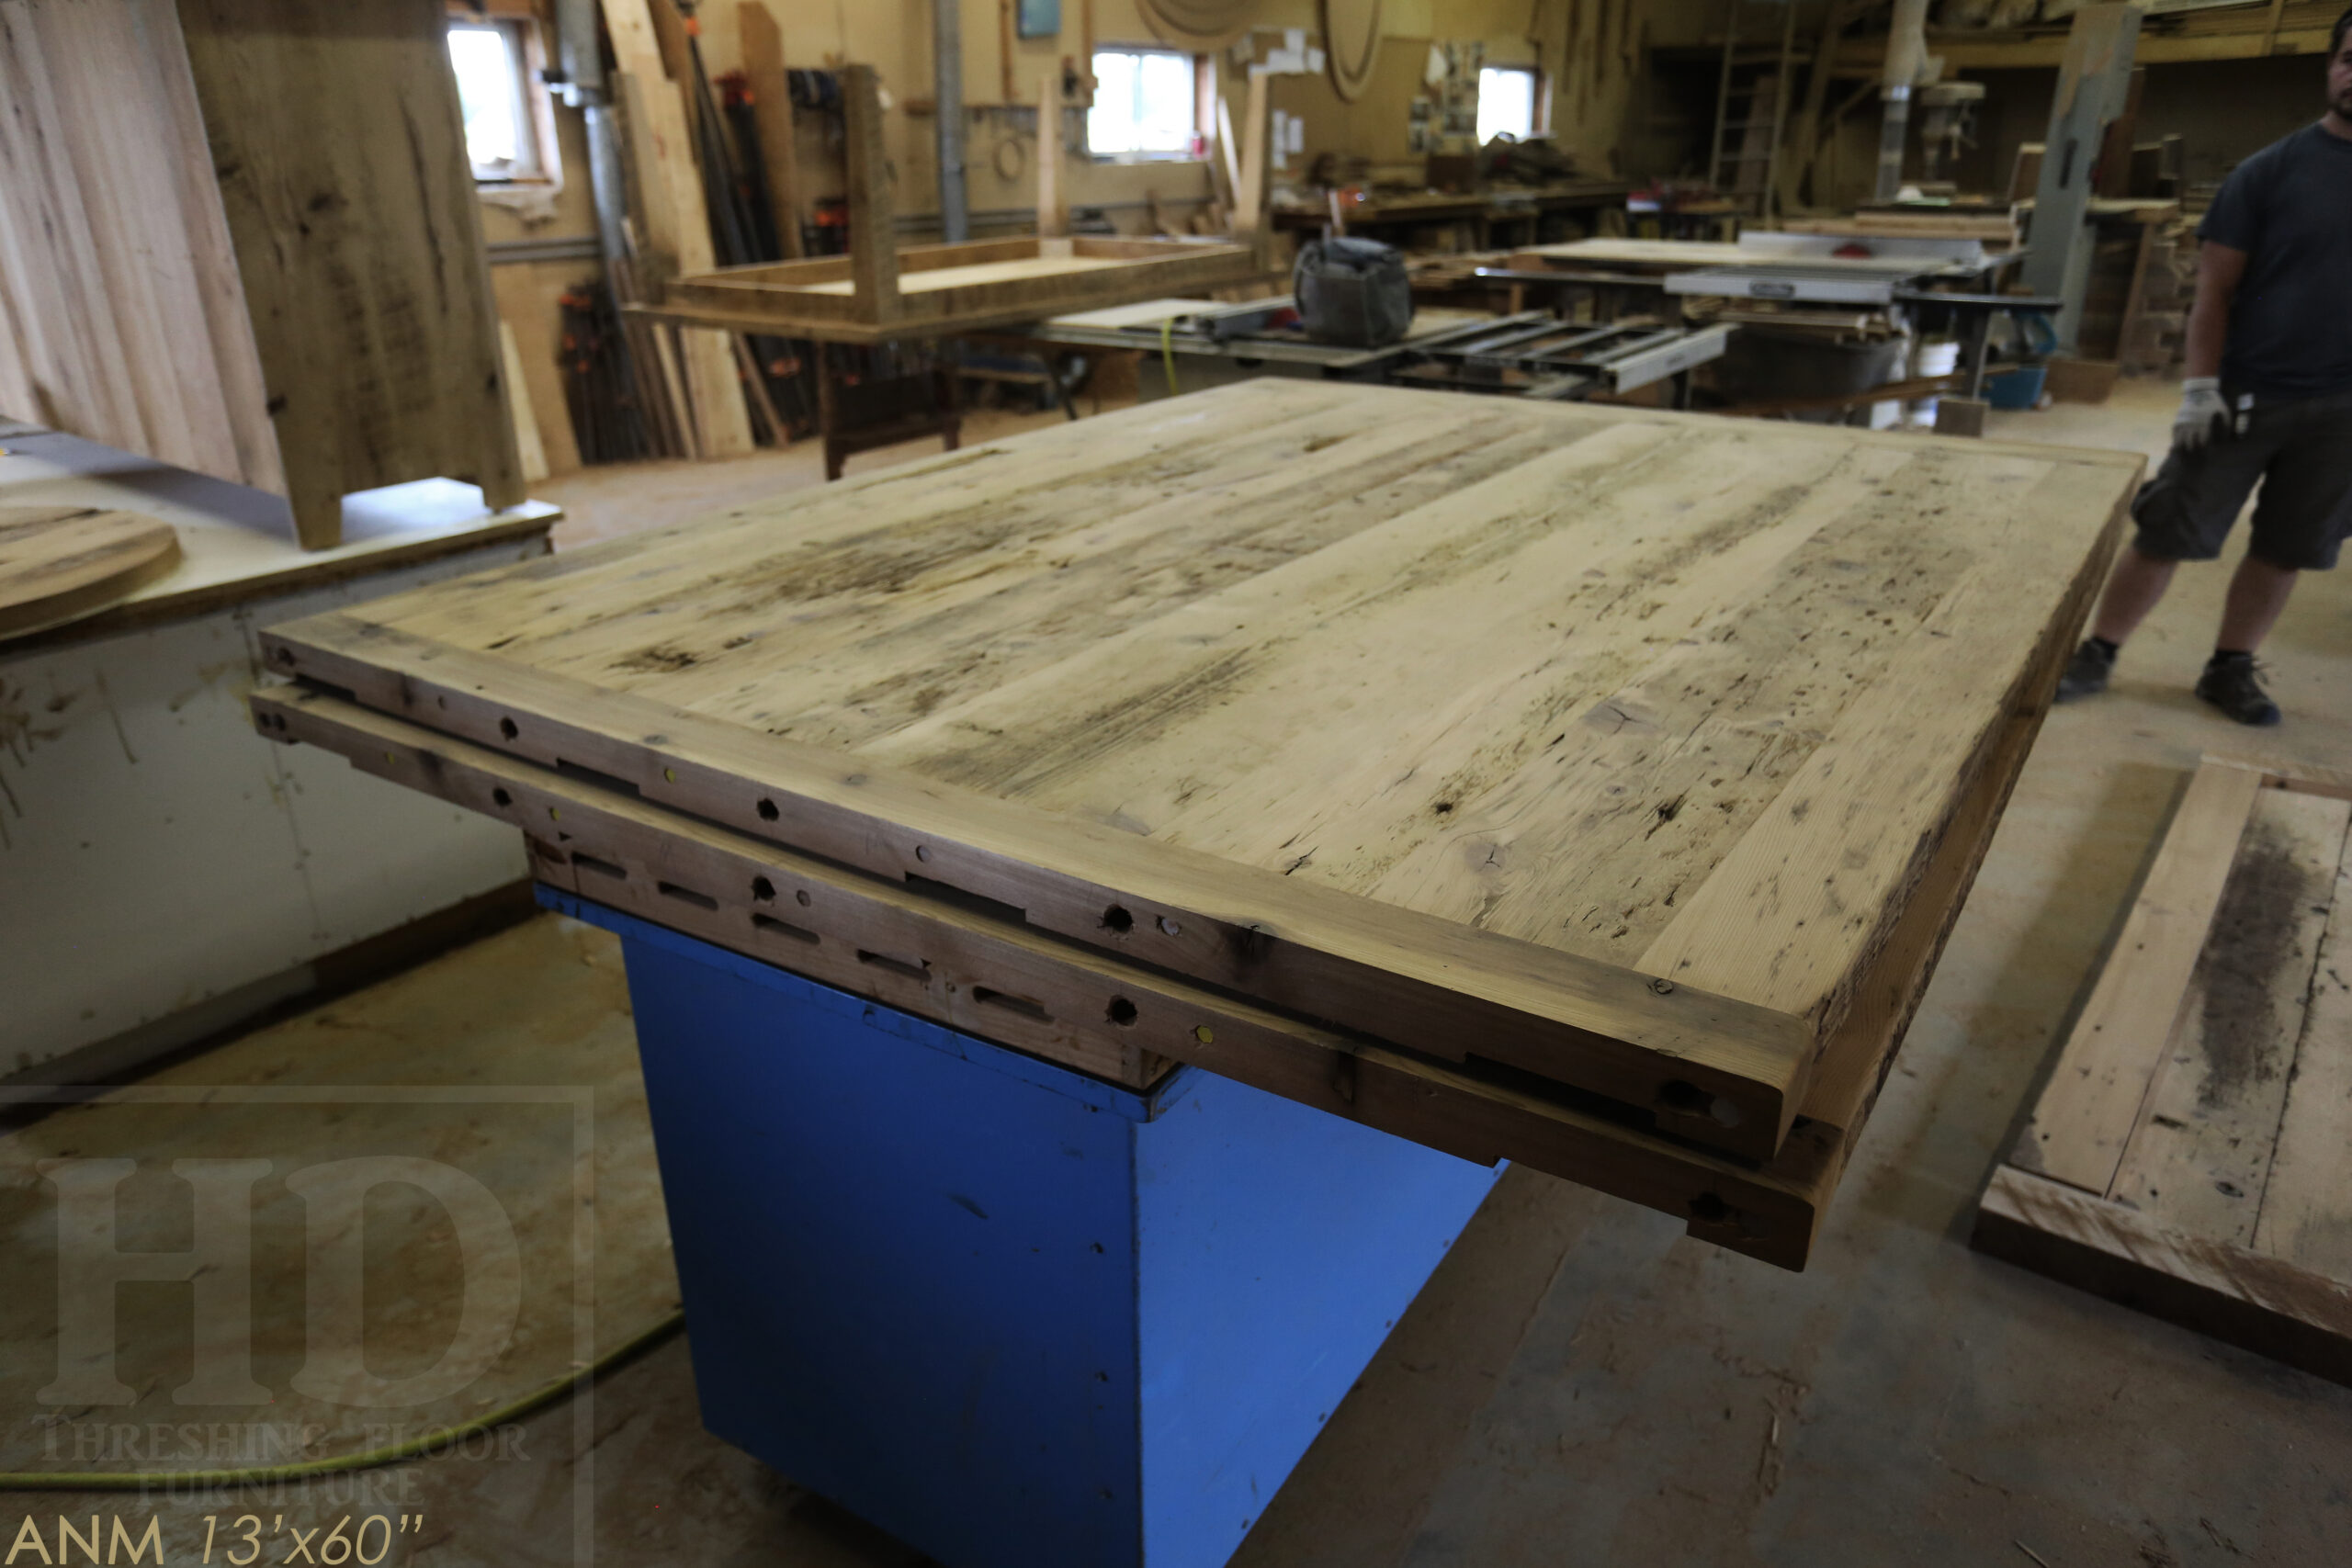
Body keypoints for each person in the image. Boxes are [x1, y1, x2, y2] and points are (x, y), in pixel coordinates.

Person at [2055, 9, 2352, 726]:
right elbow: (2213, 292)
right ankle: (2098, 649)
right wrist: (2197, 391)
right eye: (2351, 57)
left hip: (2344, 412)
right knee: (2170, 532)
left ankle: (2230, 667)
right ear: (2332, 64)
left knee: (2289, 547)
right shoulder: (2270, 173)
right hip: (2244, 395)